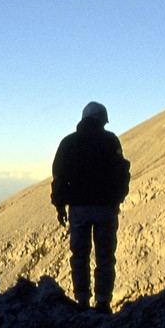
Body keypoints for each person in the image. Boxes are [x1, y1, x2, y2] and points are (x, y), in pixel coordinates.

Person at [51, 101, 130, 314]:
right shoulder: (110, 141)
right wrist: (118, 198)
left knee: (80, 255)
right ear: (101, 120)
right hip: (106, 208)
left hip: (78, 209)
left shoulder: (68, 143)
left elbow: (59, 177)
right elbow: (121, 172)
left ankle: (82, 300)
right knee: (105, 256)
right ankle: (103, 302)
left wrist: (59, 206)